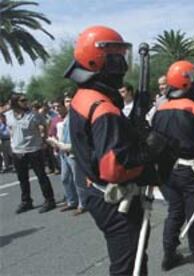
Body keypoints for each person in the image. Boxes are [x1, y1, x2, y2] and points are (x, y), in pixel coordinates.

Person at [64, 25, 172, 275]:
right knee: (128, 265)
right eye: (117, 56)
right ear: (99, 57)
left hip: (93, 189)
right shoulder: (103, 109)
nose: (122, 63)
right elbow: (115, 168)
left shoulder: (84, 95)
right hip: (113, 197)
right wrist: (150, 151)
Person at [152, 60, 194, 276]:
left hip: (166, 172)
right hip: (191, 172)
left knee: (175, 212)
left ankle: (169, 255)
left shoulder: (159, 112)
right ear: (186, 84)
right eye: (193, 81)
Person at [7, 94, 56, 214]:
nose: (26, 102)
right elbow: (10, 128)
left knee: (41, 176)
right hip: (18, 151)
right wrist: (12, 140)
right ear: (15, 103)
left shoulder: (33, 115)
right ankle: (26, 201)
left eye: (26, 100)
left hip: (34, 149)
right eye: (23, 100)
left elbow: (44, 124)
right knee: (22, 178)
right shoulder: (8, 115)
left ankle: (49, 200)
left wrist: (43, 139)